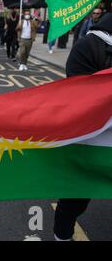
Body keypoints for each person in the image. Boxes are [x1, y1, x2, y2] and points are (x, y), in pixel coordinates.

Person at [53, 12, 112, 241]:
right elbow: (78, 96)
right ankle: (62, 237)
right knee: (74, 199)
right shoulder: (89, 45)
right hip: (93, 141)